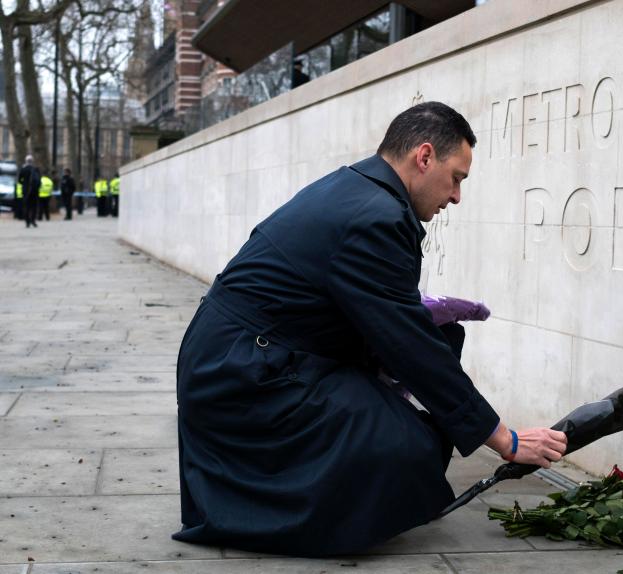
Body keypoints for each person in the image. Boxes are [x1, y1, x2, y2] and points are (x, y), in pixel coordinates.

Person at [173, 102, 567, 557]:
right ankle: (266, 515)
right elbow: (410, 346)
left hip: (247, 355)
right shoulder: (376, 216)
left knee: (434, 363)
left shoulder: (360, 189)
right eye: (456, 177)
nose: (457, 196)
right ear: (423, 157)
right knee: (407, 447)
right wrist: (503, 438)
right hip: (244, 376)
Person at [17, 155, 40, 228]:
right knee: (34, 206)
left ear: (26, 161)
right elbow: (39, 180)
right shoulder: (35, 169)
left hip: (26, 190)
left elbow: (19, 180)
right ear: (32, 161)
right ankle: (33, 220)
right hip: (34, 191)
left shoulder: (23, 169)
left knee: (26, 206)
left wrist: (24, 184)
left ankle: (27, 222)